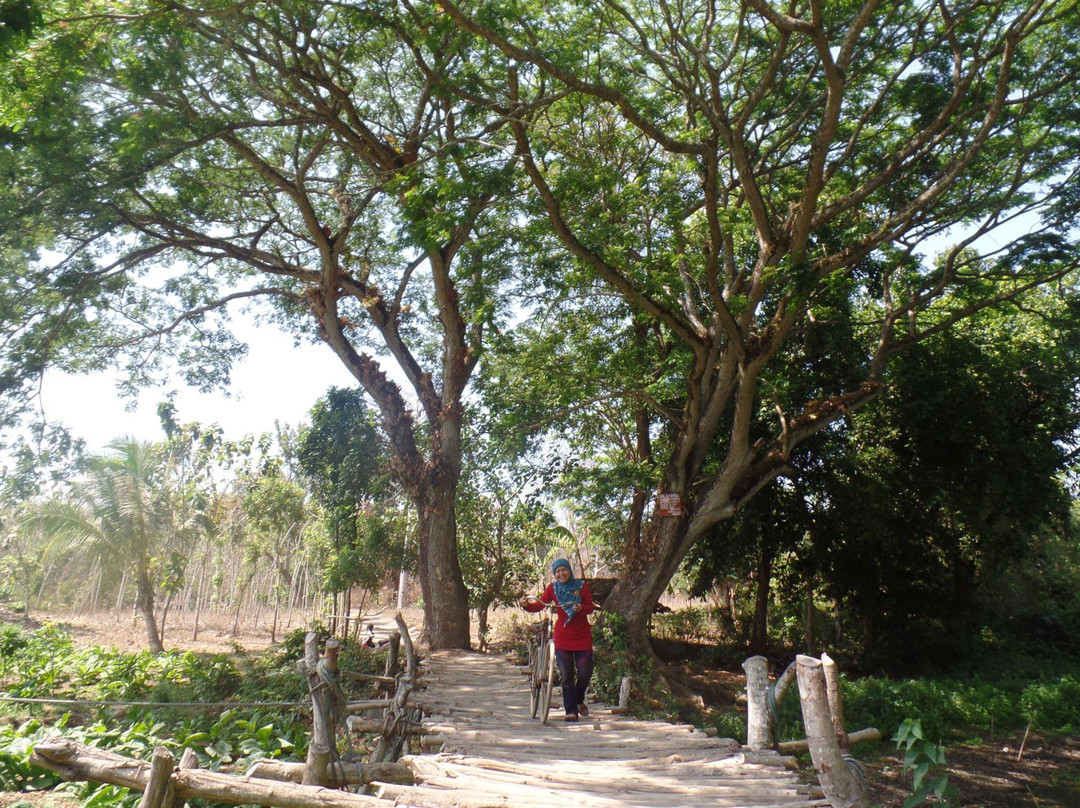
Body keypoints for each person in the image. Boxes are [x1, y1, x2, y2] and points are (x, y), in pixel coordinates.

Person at [519, 558, 596, 722]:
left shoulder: (582, 587)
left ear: (569, 570)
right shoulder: (552, 589)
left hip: (582, 636)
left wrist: (581, 608)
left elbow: (590, 607)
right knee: (566, 674)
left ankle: (579, 698)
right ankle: (571, 711)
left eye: (564, 570)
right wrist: (525, 605)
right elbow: (539, 605)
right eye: (558, 571)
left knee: (585, 672)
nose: (561, 573)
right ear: (555, 574)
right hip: (562, 637)